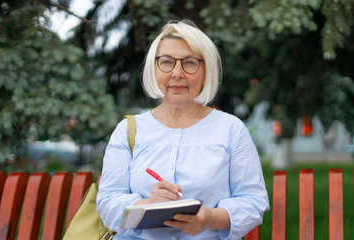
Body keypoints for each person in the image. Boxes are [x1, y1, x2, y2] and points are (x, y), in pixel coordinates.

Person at [97, 20, 269, 240]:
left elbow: (253, 201)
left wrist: (210, 218)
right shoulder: (129, 130)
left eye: (189, 63)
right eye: (167, 62)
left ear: (206, 70)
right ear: (154, 67)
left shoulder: (231, 129)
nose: (177, 73)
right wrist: (148, 205)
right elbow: (107, 203)